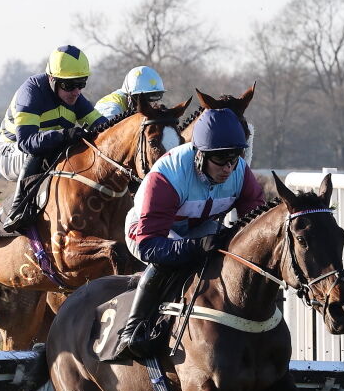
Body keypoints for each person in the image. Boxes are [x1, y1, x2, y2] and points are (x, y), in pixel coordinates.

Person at [112, 108, 266, 360]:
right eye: (220, 159)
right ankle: (132, 330)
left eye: (234, 158)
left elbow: (256, 226)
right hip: (147, 234)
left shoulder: (239, 172)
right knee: (167, 264)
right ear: (199, 155)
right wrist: (194, 247)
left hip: (197, 227)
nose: (228, 168)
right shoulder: (167, 176)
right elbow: (151, 246)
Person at [0, 45, 107, 232]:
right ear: (52, 79)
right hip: (11, 152)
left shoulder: (75, 97)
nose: (76, 91)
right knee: (45, 149)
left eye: (81, 84)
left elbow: (102, 126)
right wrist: (64, 135)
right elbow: (27, 142)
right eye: (69, 85)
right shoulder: (31, 92)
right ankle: (18, 209)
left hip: (44, 150)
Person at [94, 66, 166, 120]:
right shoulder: (111, 109)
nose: (150, 105)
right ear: (131, 95)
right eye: (145, 100)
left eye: (153, 101)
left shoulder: (131, 101)